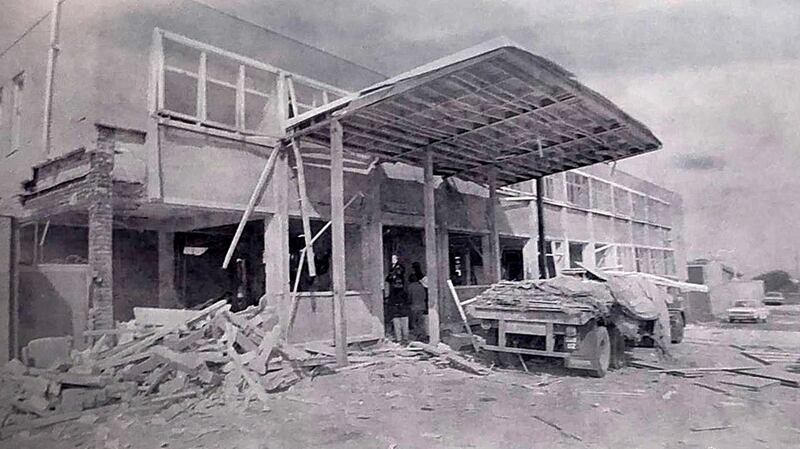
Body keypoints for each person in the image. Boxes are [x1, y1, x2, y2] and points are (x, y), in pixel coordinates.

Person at [385, 254, 409, 342]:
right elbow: (388, 279)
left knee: (402, 317)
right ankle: (400, 338)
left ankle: (404, 337)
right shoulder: (393, 273)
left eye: (394, 258)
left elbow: (392, 277)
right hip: (396, 298)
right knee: (397, 318)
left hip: (400, 297)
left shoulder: (399, 270)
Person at [407, 273, 428, 340]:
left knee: (414, 322)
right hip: (422, 306)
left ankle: (418, 335)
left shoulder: (410, 286)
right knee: (420, 322)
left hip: (414, 306)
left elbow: (409, 297)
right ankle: (423, 335)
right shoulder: (421, 286)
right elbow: (424, 296)